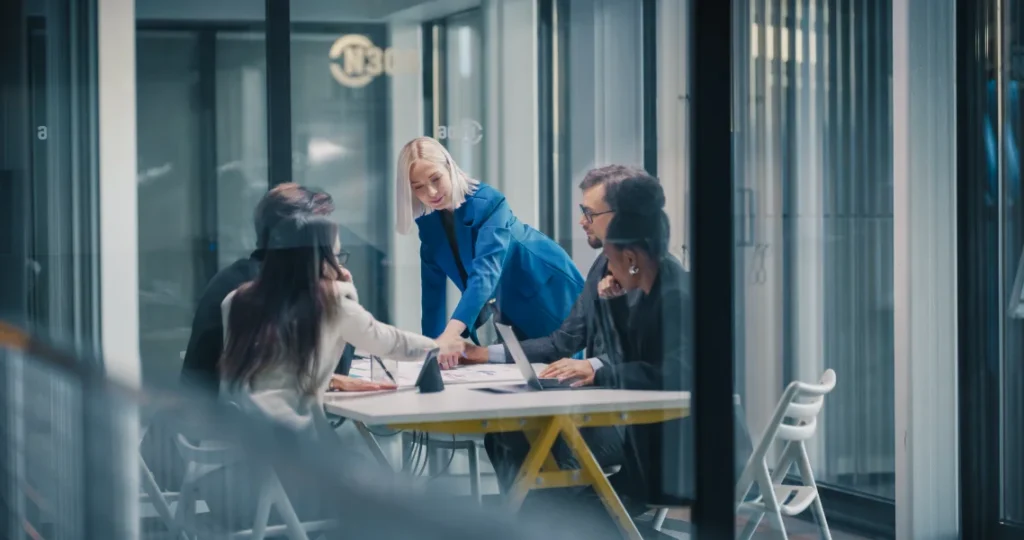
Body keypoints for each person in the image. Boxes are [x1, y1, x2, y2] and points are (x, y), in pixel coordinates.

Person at [199, 192, 462, 529]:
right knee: (391, 496)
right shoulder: (330, 302)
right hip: (291, 476)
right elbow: (388, 341)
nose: (340, 263)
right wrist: (441, 345)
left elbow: (274, 361)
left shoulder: (236, 300)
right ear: (319, 257)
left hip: (231, 475)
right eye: (337, 255)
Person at [179, 183, 393, 396]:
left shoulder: (241, 275)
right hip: (231, 425)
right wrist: (340, 293)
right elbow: (334, 368)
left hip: (208, 417)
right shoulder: (266, 289)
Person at [395, 137, 584, 367]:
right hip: (507, 304)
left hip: (546, 291)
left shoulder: (488, 202)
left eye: (435, 179)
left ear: (449, 167)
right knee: (522, 375)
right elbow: (432, 294)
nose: (431, 192)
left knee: (561, 372)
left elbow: (485, 273)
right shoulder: (430, 225)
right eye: (419, 187)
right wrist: (433, 349)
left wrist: (451, 334)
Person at [460, 164, 645, 370]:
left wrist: (593, 366)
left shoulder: (660, 273)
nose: (582, 221)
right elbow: (561, 342)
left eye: (590, 213)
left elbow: (657, 356)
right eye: (583, 211)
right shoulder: (602, 264)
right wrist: (480, 353)